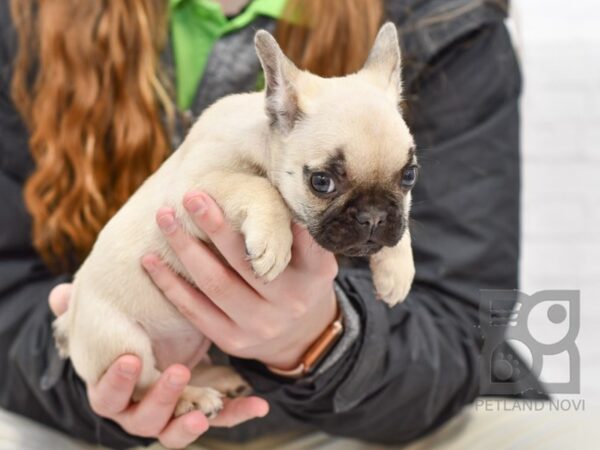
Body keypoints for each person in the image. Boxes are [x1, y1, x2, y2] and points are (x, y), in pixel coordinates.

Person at [0, 0, 541, 449]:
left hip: (389, 414)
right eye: (326, 183)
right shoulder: (24, 22)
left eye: (405, 180)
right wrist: (86, 384)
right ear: (278, 104)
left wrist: (324, 341)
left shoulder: (446, 20)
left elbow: (470, 324)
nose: (373, 218)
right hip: (134, 411)